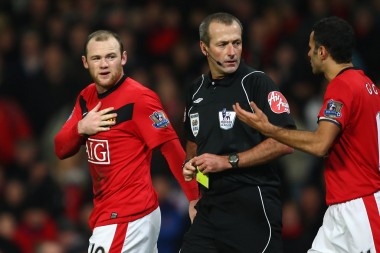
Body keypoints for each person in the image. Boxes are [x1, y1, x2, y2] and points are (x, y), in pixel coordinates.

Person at [233, 16, 380, 253]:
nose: (308, 54)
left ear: (322, 52)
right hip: (341, 208)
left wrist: (269, 129)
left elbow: (321, 143)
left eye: (311, 48)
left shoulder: (342, 86)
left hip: (361, 207)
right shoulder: (367, 85)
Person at [54, 30, 199, 253]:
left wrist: (194, 197)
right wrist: (81, 128)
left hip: (128, 216)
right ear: (85, 62)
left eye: (110, 57)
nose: (103, 64)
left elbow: (172, 149)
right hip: (112, 214)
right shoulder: (86, 97)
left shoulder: (140, 98)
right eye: (96, 58)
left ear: (123, 58)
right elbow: (60, 148)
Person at [181, 12, 296, 253]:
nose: (232, 51)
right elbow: (193, 143)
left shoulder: (256, 83)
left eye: (237, 42)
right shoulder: (196, 90)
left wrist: (227, 161)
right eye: (223, 44)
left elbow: (285, 142)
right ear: (204, 47)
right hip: (210, 207)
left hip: (251, 203)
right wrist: (191, 168)